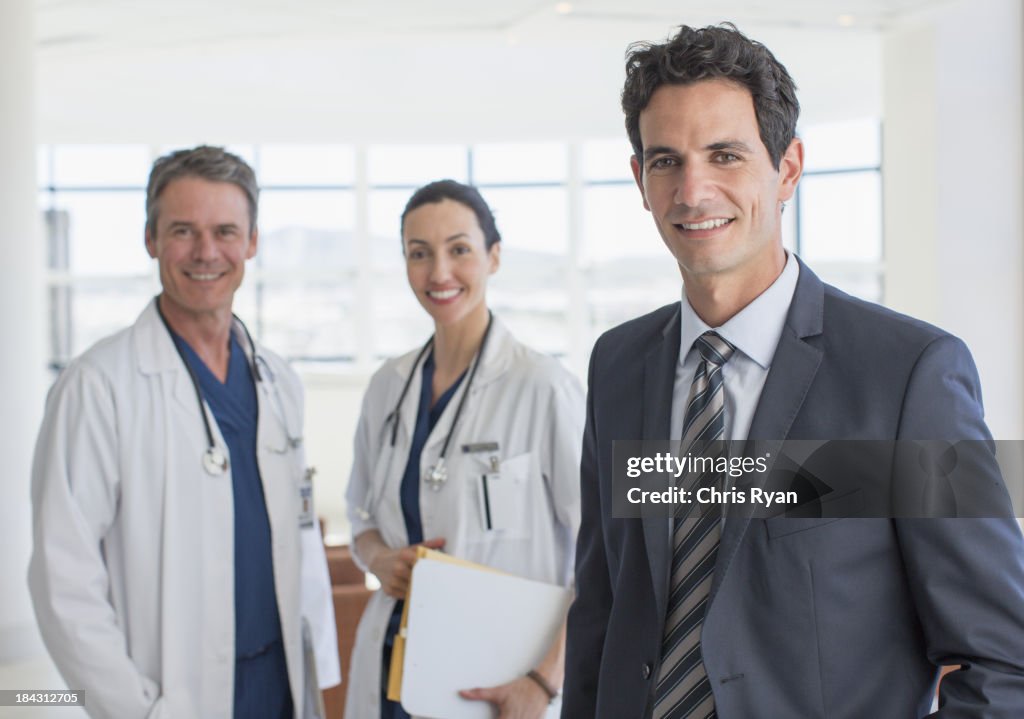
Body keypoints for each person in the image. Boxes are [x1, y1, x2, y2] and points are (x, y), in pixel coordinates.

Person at [562, 23, 1024, 718]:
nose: (693, 190)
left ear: (789, 168)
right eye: (666, 161)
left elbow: (1004, 659)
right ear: (640, 179)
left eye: (725, 155)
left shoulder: (907, 378)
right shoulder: (619, 365)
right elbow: (601, 612)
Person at [28, 145, 340, 718]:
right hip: (172, 697)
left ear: (251, 242)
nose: (206, 253)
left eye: (225, 231)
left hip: (280, 685)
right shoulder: (98, 387)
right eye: (182, 231)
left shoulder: (278, 381)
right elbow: (62, 582)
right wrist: (138, 710)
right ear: (150, 239)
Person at [344, 180, 584, 718]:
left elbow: (605, 552)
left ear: (493, 257)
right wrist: (381, 559)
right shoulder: (389, 384)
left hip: (498, 683)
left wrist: (544, 682)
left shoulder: (543, 386)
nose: (439, 274)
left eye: (459, 249)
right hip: (391, 673)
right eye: (419, 254)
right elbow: (360, 516)